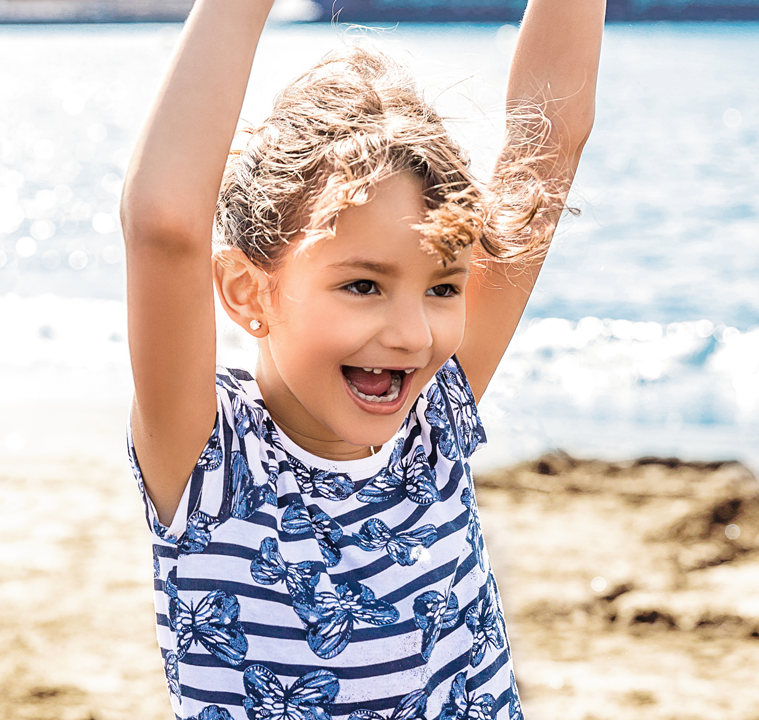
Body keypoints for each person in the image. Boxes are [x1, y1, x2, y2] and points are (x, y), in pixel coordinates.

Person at [119, 0, 604, 716]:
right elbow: (164, 225)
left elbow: (551, 139)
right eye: (363, 285)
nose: (412, 334)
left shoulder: (435, 422)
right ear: (249, 289)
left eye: (443, 286)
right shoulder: (211, 464)